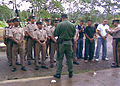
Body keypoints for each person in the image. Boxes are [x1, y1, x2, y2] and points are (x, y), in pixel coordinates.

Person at [54, 13, 76, 78]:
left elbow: (56, 33)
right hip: (69, 42)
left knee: (60, 58)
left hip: (62, 43)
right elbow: (73, 34)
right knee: (70, 58)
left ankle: (58, 73)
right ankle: (70, 72)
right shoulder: (72, 25)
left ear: (62, 18)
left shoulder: (60, 24)